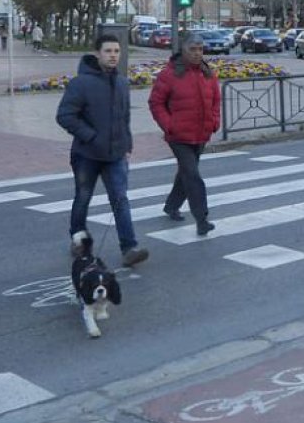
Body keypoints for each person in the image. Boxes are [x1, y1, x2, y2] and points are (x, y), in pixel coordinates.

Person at [55, 34, 149, 267]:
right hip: (86, 155)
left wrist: (127, 145)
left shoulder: (122, 83)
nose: (113, 55)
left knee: (120, 200)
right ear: (97, 54)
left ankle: (129, 248)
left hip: (115, 155)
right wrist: (91, 136)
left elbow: (124, 118)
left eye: (117, 51)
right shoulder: (81, 83)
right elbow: (65, 116)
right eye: (108, 51)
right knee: (83, 198)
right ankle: (79, 239)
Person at [149, 33, 220, 237]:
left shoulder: (207, 73)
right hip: (178, 136)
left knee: (186, 174)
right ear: (183, 50)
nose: (198, 53)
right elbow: (156, 103)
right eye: (193, 49)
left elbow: (216, 100)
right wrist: (169, 125)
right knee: (193, 175)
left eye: (200, 49)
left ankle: (171, 206)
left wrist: (215, 121)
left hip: (201, 133)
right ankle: (202, 219)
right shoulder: (169, 75)